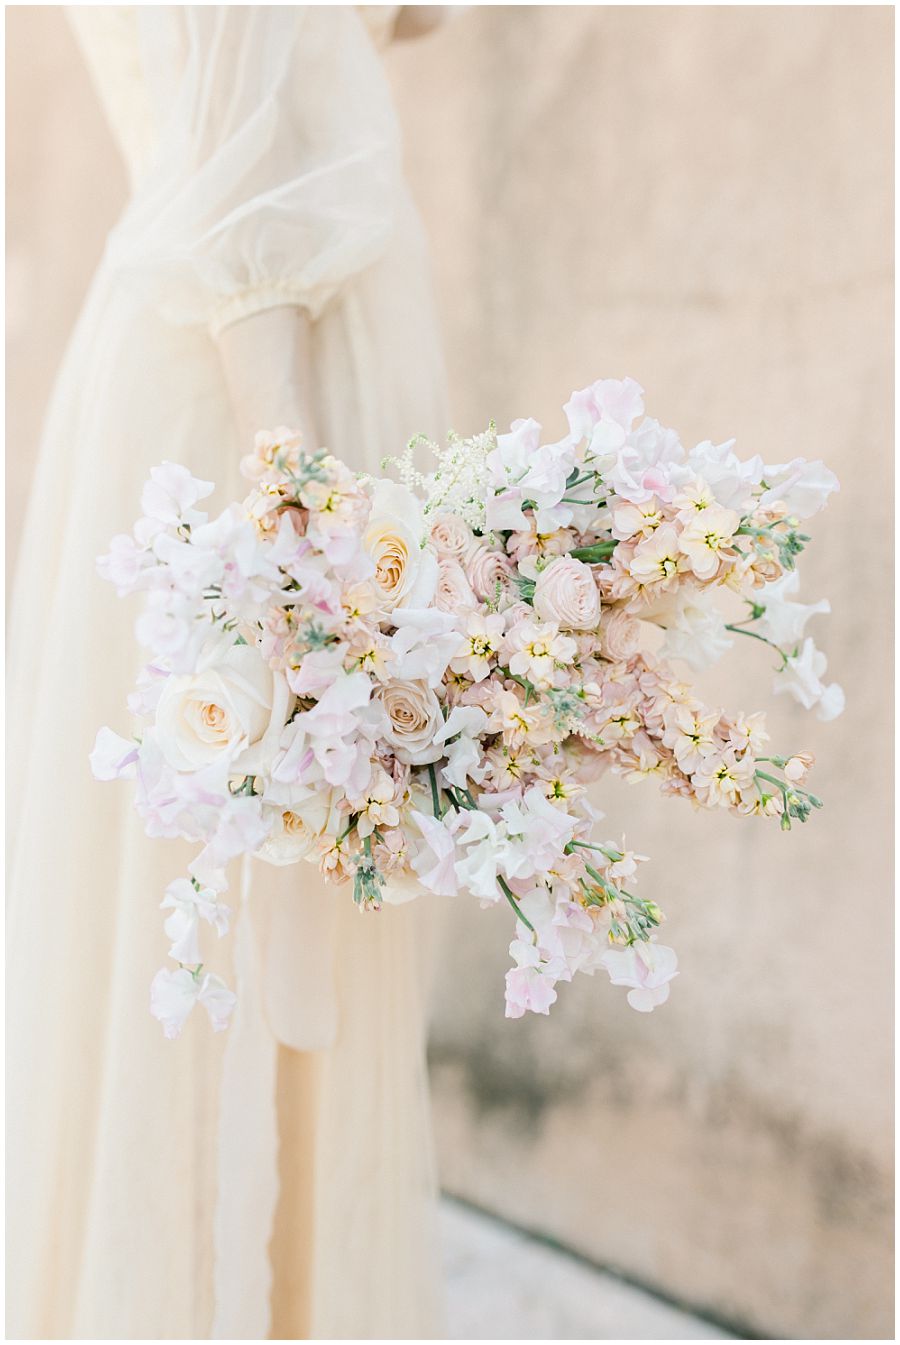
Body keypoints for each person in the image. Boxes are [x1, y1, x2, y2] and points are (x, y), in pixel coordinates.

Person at [8, 7, 449, 1338]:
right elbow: (233, 163)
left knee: (273, 917)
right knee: (250, 921)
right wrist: (291, 480)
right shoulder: (273, 401)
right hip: (257, 387)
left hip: (260, 363)